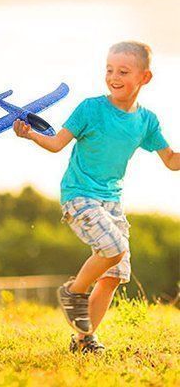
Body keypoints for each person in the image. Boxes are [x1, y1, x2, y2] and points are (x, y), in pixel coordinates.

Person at [14, 41, 178, 354]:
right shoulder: (91, 108)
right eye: (109, 70)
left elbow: (170, 160)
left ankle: (83, 340)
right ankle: (73, 292)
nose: (114, 77)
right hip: (79, 195)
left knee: (114, 274)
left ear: (145, 78)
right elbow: (56, 143)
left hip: (112, 202)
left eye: (123, 71)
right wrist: (30, 134)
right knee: (113, 249)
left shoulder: (147, 121)